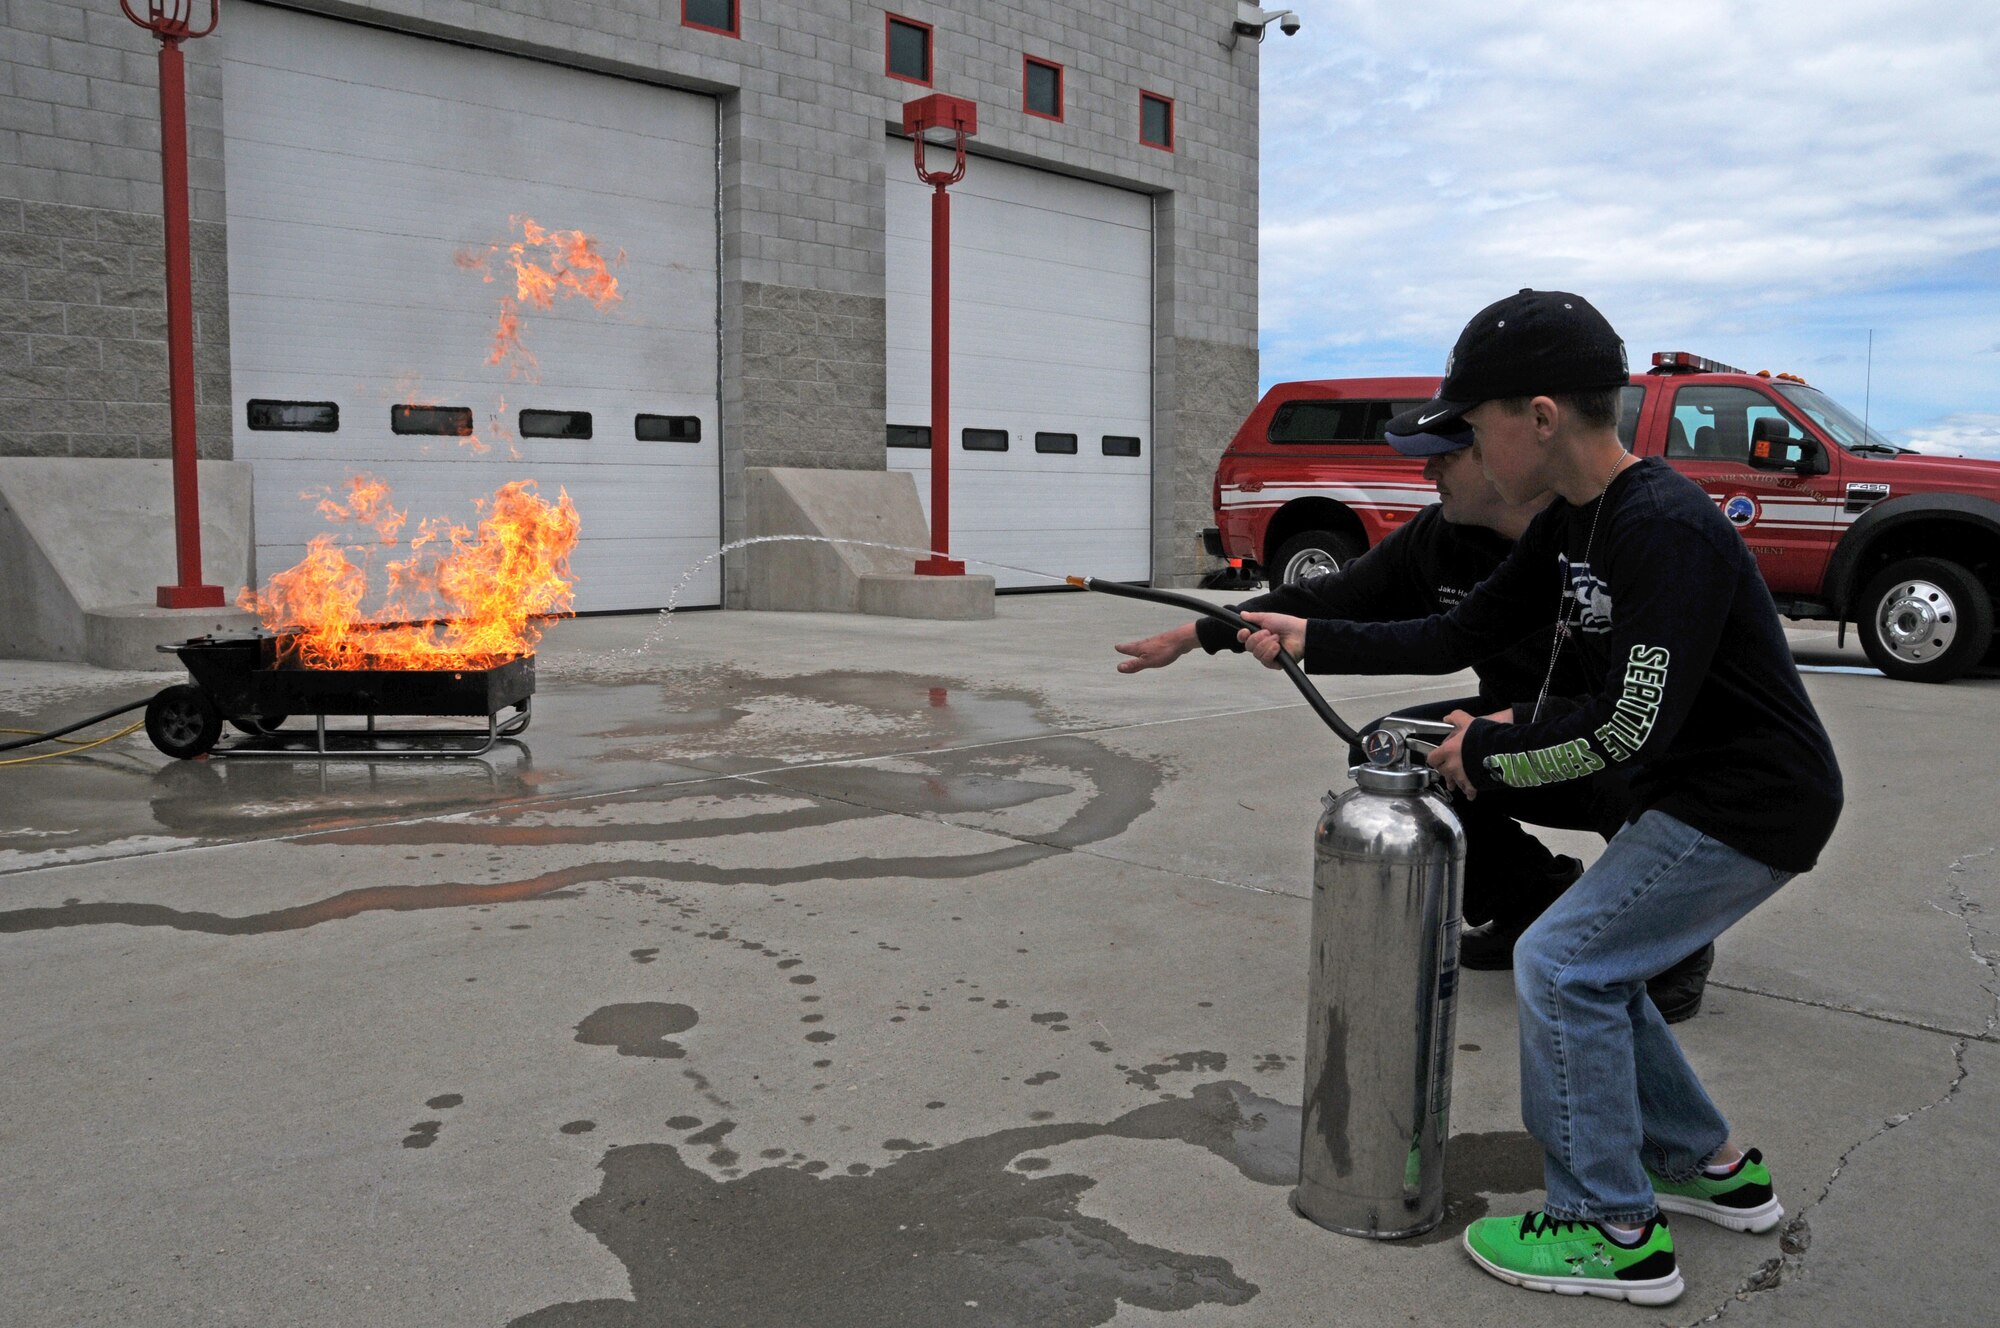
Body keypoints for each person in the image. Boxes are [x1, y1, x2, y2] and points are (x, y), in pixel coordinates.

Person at [1239, 290, 1842, 1306]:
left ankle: (1608, 1225)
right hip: (1696, 794)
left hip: (1744, 804)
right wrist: (1307, 633)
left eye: (1472, 425)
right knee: (1596, 965)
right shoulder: (1575, 522)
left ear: (1539, 415)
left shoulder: (1660, 529)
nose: (1462, 447)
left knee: (1558, 963)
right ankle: (1706, 1164)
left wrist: (1495, 752)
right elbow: (1454, 633)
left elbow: (1622, 728)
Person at [1114, 421, 1713, 1021]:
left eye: (1445, 459)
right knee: (1388, 750)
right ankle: (1532, 900)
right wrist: (1201, 632)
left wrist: (1523, 723)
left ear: (1499, 456)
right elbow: (1332, 602)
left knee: (1633, 762)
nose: (1428, 475)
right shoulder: (1439, 540)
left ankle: (1673, 942)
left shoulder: (1609, 537)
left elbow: (1647, 707)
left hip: (1615, 737)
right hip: (1508, 731)